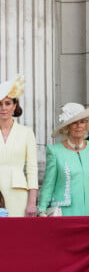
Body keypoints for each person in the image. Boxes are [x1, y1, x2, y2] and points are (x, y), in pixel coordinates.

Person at [38, 103, 89, 216]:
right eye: (74, 123)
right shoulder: (55, 151)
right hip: (66, 213)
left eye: (82, 122)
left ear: (86, 124)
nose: (79, 126)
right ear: (67, 127)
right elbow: (48, 184)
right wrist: (41, 209)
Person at [0, 76, 38, 217]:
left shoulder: (26, 132)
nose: (3, 108)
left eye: (8, 103)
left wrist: (32, 202)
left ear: (15, 106)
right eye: (0, 104)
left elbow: (32, 169)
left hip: (18, 194)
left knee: (17, 236)